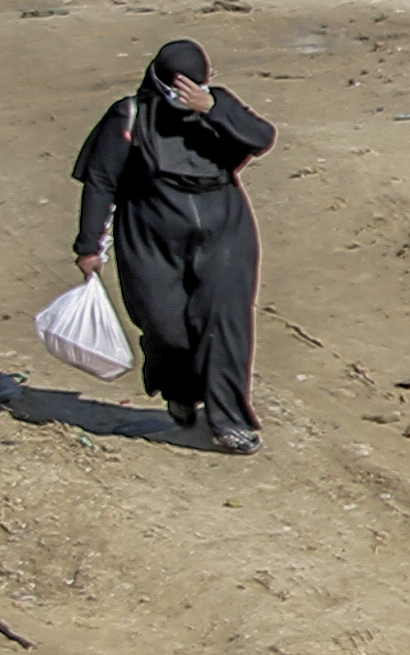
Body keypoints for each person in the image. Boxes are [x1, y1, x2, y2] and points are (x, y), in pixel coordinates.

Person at [71, 41, 273, 452]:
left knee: (224, 325)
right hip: (150, 233)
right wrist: (88, 245)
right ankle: (178, 390)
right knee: (167, 328)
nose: (184, 94)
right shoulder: (129, 115)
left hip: (225, 229)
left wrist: (211, 108)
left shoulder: (217, 105)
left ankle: (229, 421)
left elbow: (261, 136)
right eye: (177, 86)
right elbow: (101, 181)